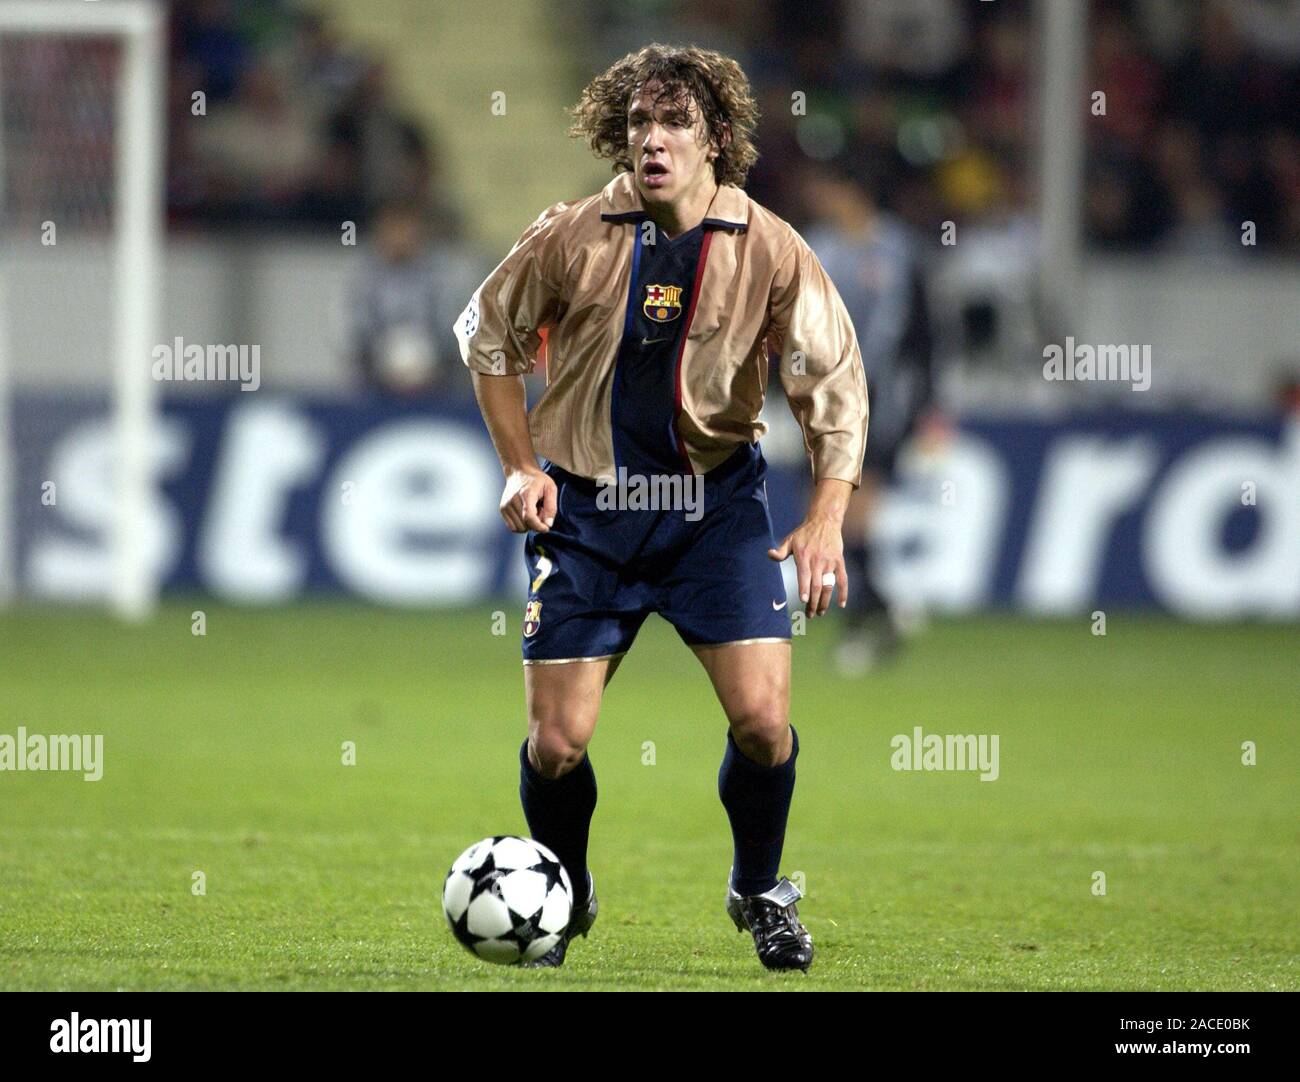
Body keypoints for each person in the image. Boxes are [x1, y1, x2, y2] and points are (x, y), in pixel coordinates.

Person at [455, 44, 868, 971]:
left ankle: (760, 890)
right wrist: (522, 466)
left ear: (716, 138)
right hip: (588, 515)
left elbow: (833, 382)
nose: (652, 139)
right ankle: (564, 891)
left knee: (763, 723)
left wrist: (828, 510)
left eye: (674, 122)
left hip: (712, 512)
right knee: (556, 745)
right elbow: (488, 338)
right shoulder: (571, 233)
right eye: (639, 122)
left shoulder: (769, 248)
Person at [801, 163, 936, 673]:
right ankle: (883, 607)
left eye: (827, 187)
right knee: (822, 515)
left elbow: (925, 335)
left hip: (881, 401)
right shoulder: (814, 247)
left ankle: (865, 622)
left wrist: (926, 406)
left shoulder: (900, 251)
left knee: (847, 517)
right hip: (820, 399)